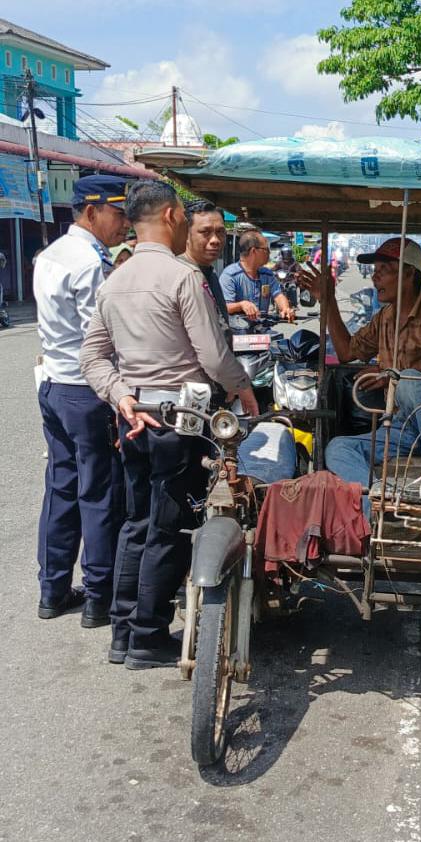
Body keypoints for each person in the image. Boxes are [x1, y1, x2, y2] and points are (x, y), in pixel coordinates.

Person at [80, 180, 259, 669]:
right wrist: (242, 387)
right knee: (170, 528)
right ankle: (147, 638)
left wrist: (122, 398)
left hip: (136, 420)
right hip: (180, 422)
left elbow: (91, 357)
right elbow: (212, 355)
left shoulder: (113, 280)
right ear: (172, 217)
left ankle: (123, 632)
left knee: (135, 523)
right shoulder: (183, 278)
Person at [298, 237, 421, 515]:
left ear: (409, 273)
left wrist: (394, 375)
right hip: (401, 427)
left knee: (409, 379)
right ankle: (377, 505)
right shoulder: (385, 317)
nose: (375, 277)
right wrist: (327, 300)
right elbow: (347, 353)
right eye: (375, 270)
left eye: (383, 269)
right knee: (338, 449)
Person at [34, 174, 129, 628]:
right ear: (92, 211)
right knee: (98, 493)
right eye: (119, 212)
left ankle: (52, 590)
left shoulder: (50, 254)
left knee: (61, 487)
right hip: (87, 391)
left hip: (53, 385)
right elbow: (103, 337)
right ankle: (97, 597)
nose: (125, 222)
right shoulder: (92, 262)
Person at [219, 230, 294, 321]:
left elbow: (278, 295)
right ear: (254, 251)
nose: (269, 253)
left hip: (263, 331)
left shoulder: (267, 274)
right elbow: (224, 307)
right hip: (238, 332)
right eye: (266, 249)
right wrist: (241, 305)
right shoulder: (230, 275)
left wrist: (285, 309)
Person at [181, 199, 230, 331]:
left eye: (220, 232)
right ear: (186, 234)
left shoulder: (209, 272)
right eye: (205, 232)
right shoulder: (182, 277)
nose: (215, 240)